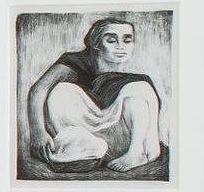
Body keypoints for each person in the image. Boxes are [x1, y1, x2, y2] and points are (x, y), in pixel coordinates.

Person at [24, 16, 167, 178]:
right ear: (96, 44)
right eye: (112, 40)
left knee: (139, 89)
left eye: (127, 40)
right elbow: (38, 89)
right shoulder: (75, 62)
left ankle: (136, 153)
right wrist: (38, 131)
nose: (121, 47)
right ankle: (74, 150)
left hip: (119, 140)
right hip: (85, 139)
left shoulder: (131, 77)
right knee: (61, 91)